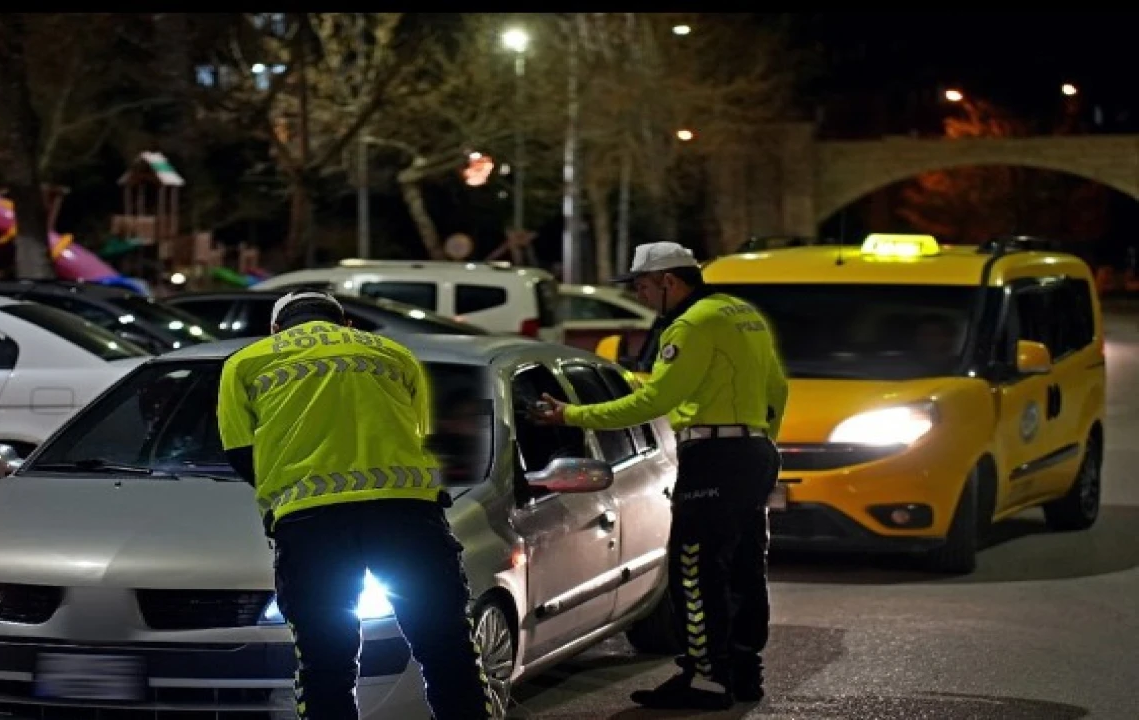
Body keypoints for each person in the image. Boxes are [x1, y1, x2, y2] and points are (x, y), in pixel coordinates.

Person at [532, 241, 789, 711]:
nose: (642, 297)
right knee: (745, 565)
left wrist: (571, 415)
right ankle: (743, 672)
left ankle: (706, 678)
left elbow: (653, 402)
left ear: (670, 281)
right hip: (753, 451)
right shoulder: (739, 313)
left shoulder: (691, 325)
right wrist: (758, 440)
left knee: (695, 566)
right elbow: (778, 386)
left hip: (714, 455)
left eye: (644, 286)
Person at [217, 290, 493, 720]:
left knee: (325, 663)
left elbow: (239, 450)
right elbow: (415, 431)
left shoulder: (246, 362)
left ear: (276, 329)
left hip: (311, 526)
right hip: (408, 517)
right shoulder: (394, 354)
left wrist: (291, 490)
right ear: (347, 324)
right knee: (446, 648)